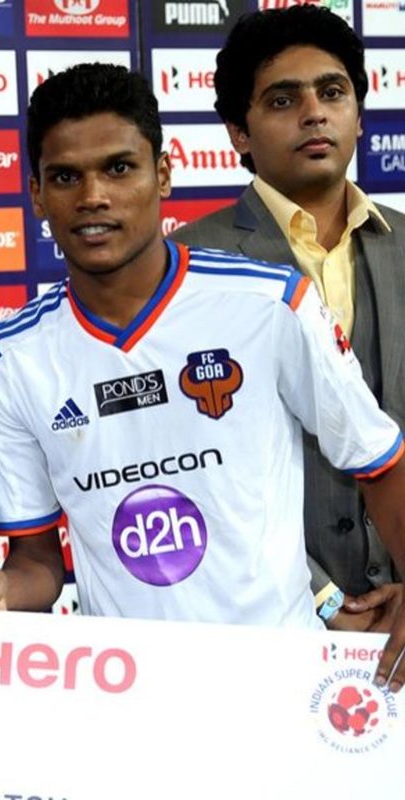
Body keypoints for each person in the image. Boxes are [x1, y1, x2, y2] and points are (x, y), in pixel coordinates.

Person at [0, 62, 405, 692]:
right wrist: (0, 591)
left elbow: (379, 461)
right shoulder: (8, 358)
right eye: (66, 177)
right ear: (37, 194)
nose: (93, 196)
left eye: (118, 168)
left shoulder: (270, 303)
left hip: (284, 678)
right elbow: (37, 563)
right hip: (128, 691)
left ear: (163, 174)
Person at [171, 5, 405, 634]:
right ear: (238, 134)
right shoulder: (186, 268)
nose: (314, 113)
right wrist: (324, 600)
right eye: (282, 100)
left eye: (333, 92)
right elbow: (189, 471)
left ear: (359, 113)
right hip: (263, 622)